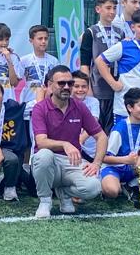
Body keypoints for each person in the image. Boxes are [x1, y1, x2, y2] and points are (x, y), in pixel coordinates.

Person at [30, 64, 106, 218]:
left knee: (94, 187)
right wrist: (65, 144)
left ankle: (64, 192)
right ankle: (45, 201)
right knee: (43, 155)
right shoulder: (40, 108)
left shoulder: (79, 106)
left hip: (72, 162)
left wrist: (97, 163)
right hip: (50, 161)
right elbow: (41, 142)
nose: (66, 87)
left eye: (70, 83)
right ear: (50, 85)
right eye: (61, 83)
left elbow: (101, 136)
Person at [98, 87, 140, 202]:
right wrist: (126, 159)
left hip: (132, 165)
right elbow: (104, 158)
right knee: (112, 191)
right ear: (130, 108)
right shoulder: (119, 129)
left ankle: (133, 183)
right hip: (115, 167)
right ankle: (106, 183)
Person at [96, 8, 140, 123]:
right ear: (133, 27)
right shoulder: (124, 45)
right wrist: (113, 83)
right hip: (125, 107)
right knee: (123, 133)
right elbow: (100, 61)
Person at [80, 0, 123, 130]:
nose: (112, 12)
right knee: (96, 127)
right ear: (98, 9)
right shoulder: (90, 32)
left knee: (112, 128)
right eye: (108, 8)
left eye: (114, 8)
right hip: (97, 86)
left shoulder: (120, 32)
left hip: (117, 87)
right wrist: (88, 89)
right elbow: (85, 64)